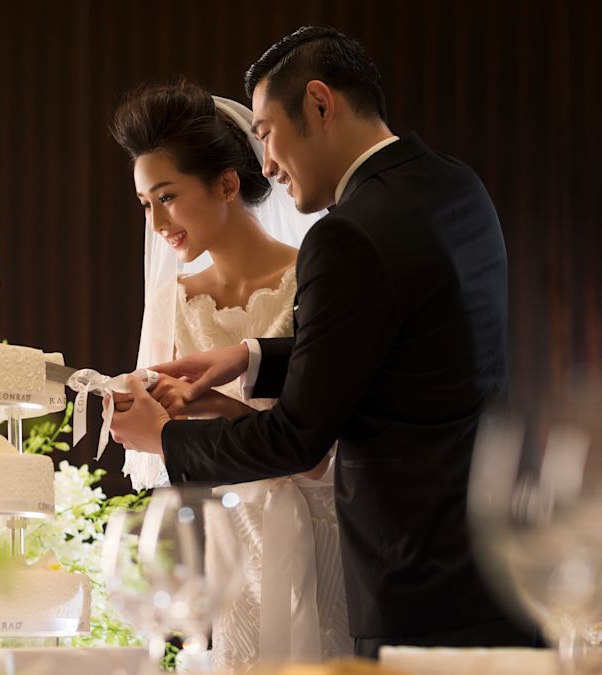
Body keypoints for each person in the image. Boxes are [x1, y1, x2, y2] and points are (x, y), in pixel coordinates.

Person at [109, 27, 533, 658]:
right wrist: (249, 358)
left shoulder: (346, 237)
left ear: (319, 103)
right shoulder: (455, 186)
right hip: (497, 558)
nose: (267, 163)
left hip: (410, 576)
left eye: (268, 132)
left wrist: (165, 440)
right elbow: (392, 347)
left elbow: (299, 438)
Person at [109, 80, 354, 669]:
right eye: (145, 204)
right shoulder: (172, 298)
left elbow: (323, 443)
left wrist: (213, 412)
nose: (157, 222)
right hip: (228, 551)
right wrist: (158, 410)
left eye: (167, 196)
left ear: (226, 184)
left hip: (323, 534)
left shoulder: (312, 279)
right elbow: (159, 459)